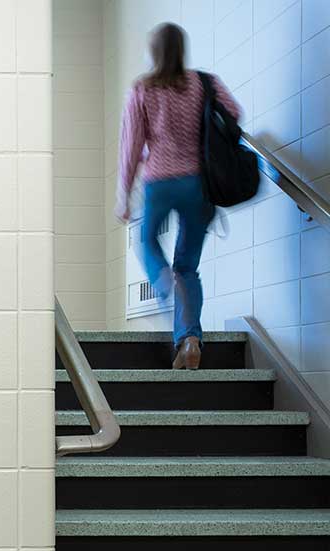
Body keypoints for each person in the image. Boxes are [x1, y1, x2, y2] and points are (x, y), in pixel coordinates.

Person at [115, 22, 243, 370]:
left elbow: (131, 146)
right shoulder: (205, 83)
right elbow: (233, 113)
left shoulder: (142, 89)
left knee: (147, 242)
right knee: (189, 267)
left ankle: (162, 279)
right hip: (198, 185)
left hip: (160, 181)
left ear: (153, 52)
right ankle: (189, 339)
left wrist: (123, 194)